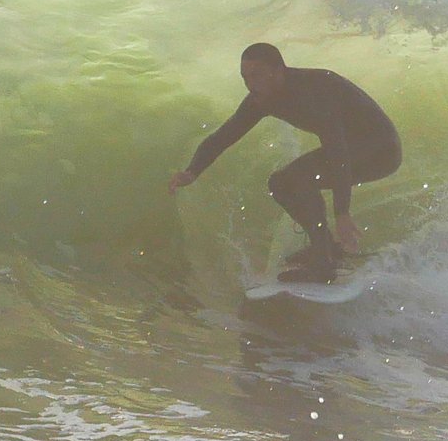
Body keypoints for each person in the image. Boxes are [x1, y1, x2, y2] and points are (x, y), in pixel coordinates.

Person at [166, 42, 401, 283]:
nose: (250, 84)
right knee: (280, 183)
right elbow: (225, 135)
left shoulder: (313, 92)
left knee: (300, 175)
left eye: (256, 75)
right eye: (245, 77)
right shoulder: (262, 99)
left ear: (278, 71)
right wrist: (191, 172)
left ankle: (324, 264)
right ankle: (327, 248)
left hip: (381, 149)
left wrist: (342, 212)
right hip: (353, 149)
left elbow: (338, 152)